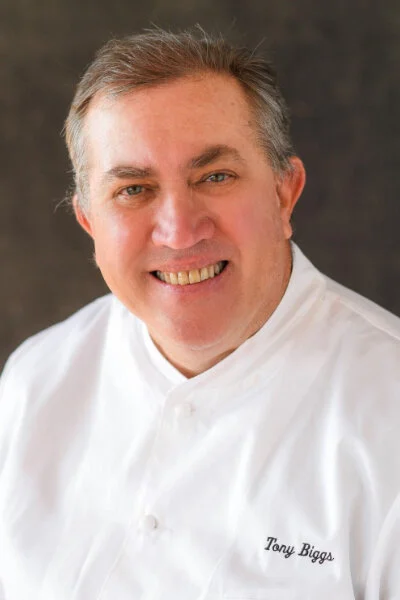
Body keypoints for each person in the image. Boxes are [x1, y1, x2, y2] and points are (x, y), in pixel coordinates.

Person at [0, 27, 399, 600]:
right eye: (133, 189)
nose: (180, 231)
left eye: (215, 177)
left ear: (284, 194)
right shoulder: (35, 380)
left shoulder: (388, 417)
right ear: (89, 223)